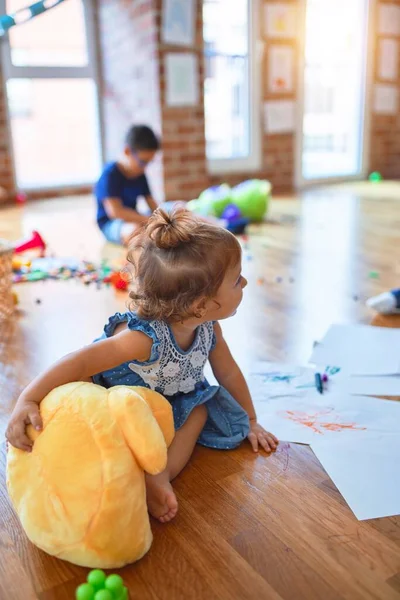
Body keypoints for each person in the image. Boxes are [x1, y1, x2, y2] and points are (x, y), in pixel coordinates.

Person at [6, 208, 279, 523]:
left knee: (200, 410)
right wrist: (28, 397)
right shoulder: (143, 339)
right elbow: (81, 360)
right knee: (111, 441)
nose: (244, 282)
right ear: (201, 305)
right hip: (121, 401)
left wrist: (252, 420)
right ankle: (138, 469)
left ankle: (159, 476)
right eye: (236, 279)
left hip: (170, 403)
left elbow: (227, 372)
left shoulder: (209, 328)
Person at [95, 124, 160, 246]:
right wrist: (148, 220)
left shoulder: (140, 174)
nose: (145, 167)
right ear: (127, 151)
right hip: (111, 223)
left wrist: (161, 218)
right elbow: (115, 212)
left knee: (173, 210)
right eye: (143, 162)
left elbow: (152, 204)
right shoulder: (110, 174)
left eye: (149, 162)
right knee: (135, 231)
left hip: (134, 217)